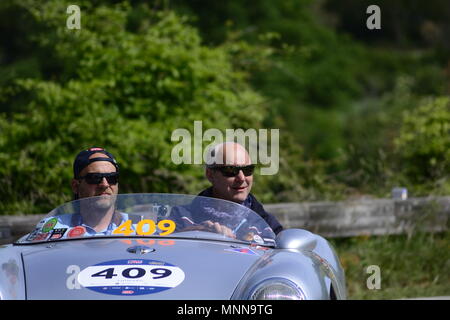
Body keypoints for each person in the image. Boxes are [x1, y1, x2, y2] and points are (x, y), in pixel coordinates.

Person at [170, 142, 283, 238]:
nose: (241, 178)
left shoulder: (267, 225)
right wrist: (199, 232)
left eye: (248, 170)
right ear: (210, 175)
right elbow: (161, 248)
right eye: (230, 170)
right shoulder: (181, 217)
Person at [26, 147, 131, 241]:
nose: (104, 184)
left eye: (112, 178)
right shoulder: (52, 228)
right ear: (75, 186)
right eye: (95, 178)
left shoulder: (141, 227)